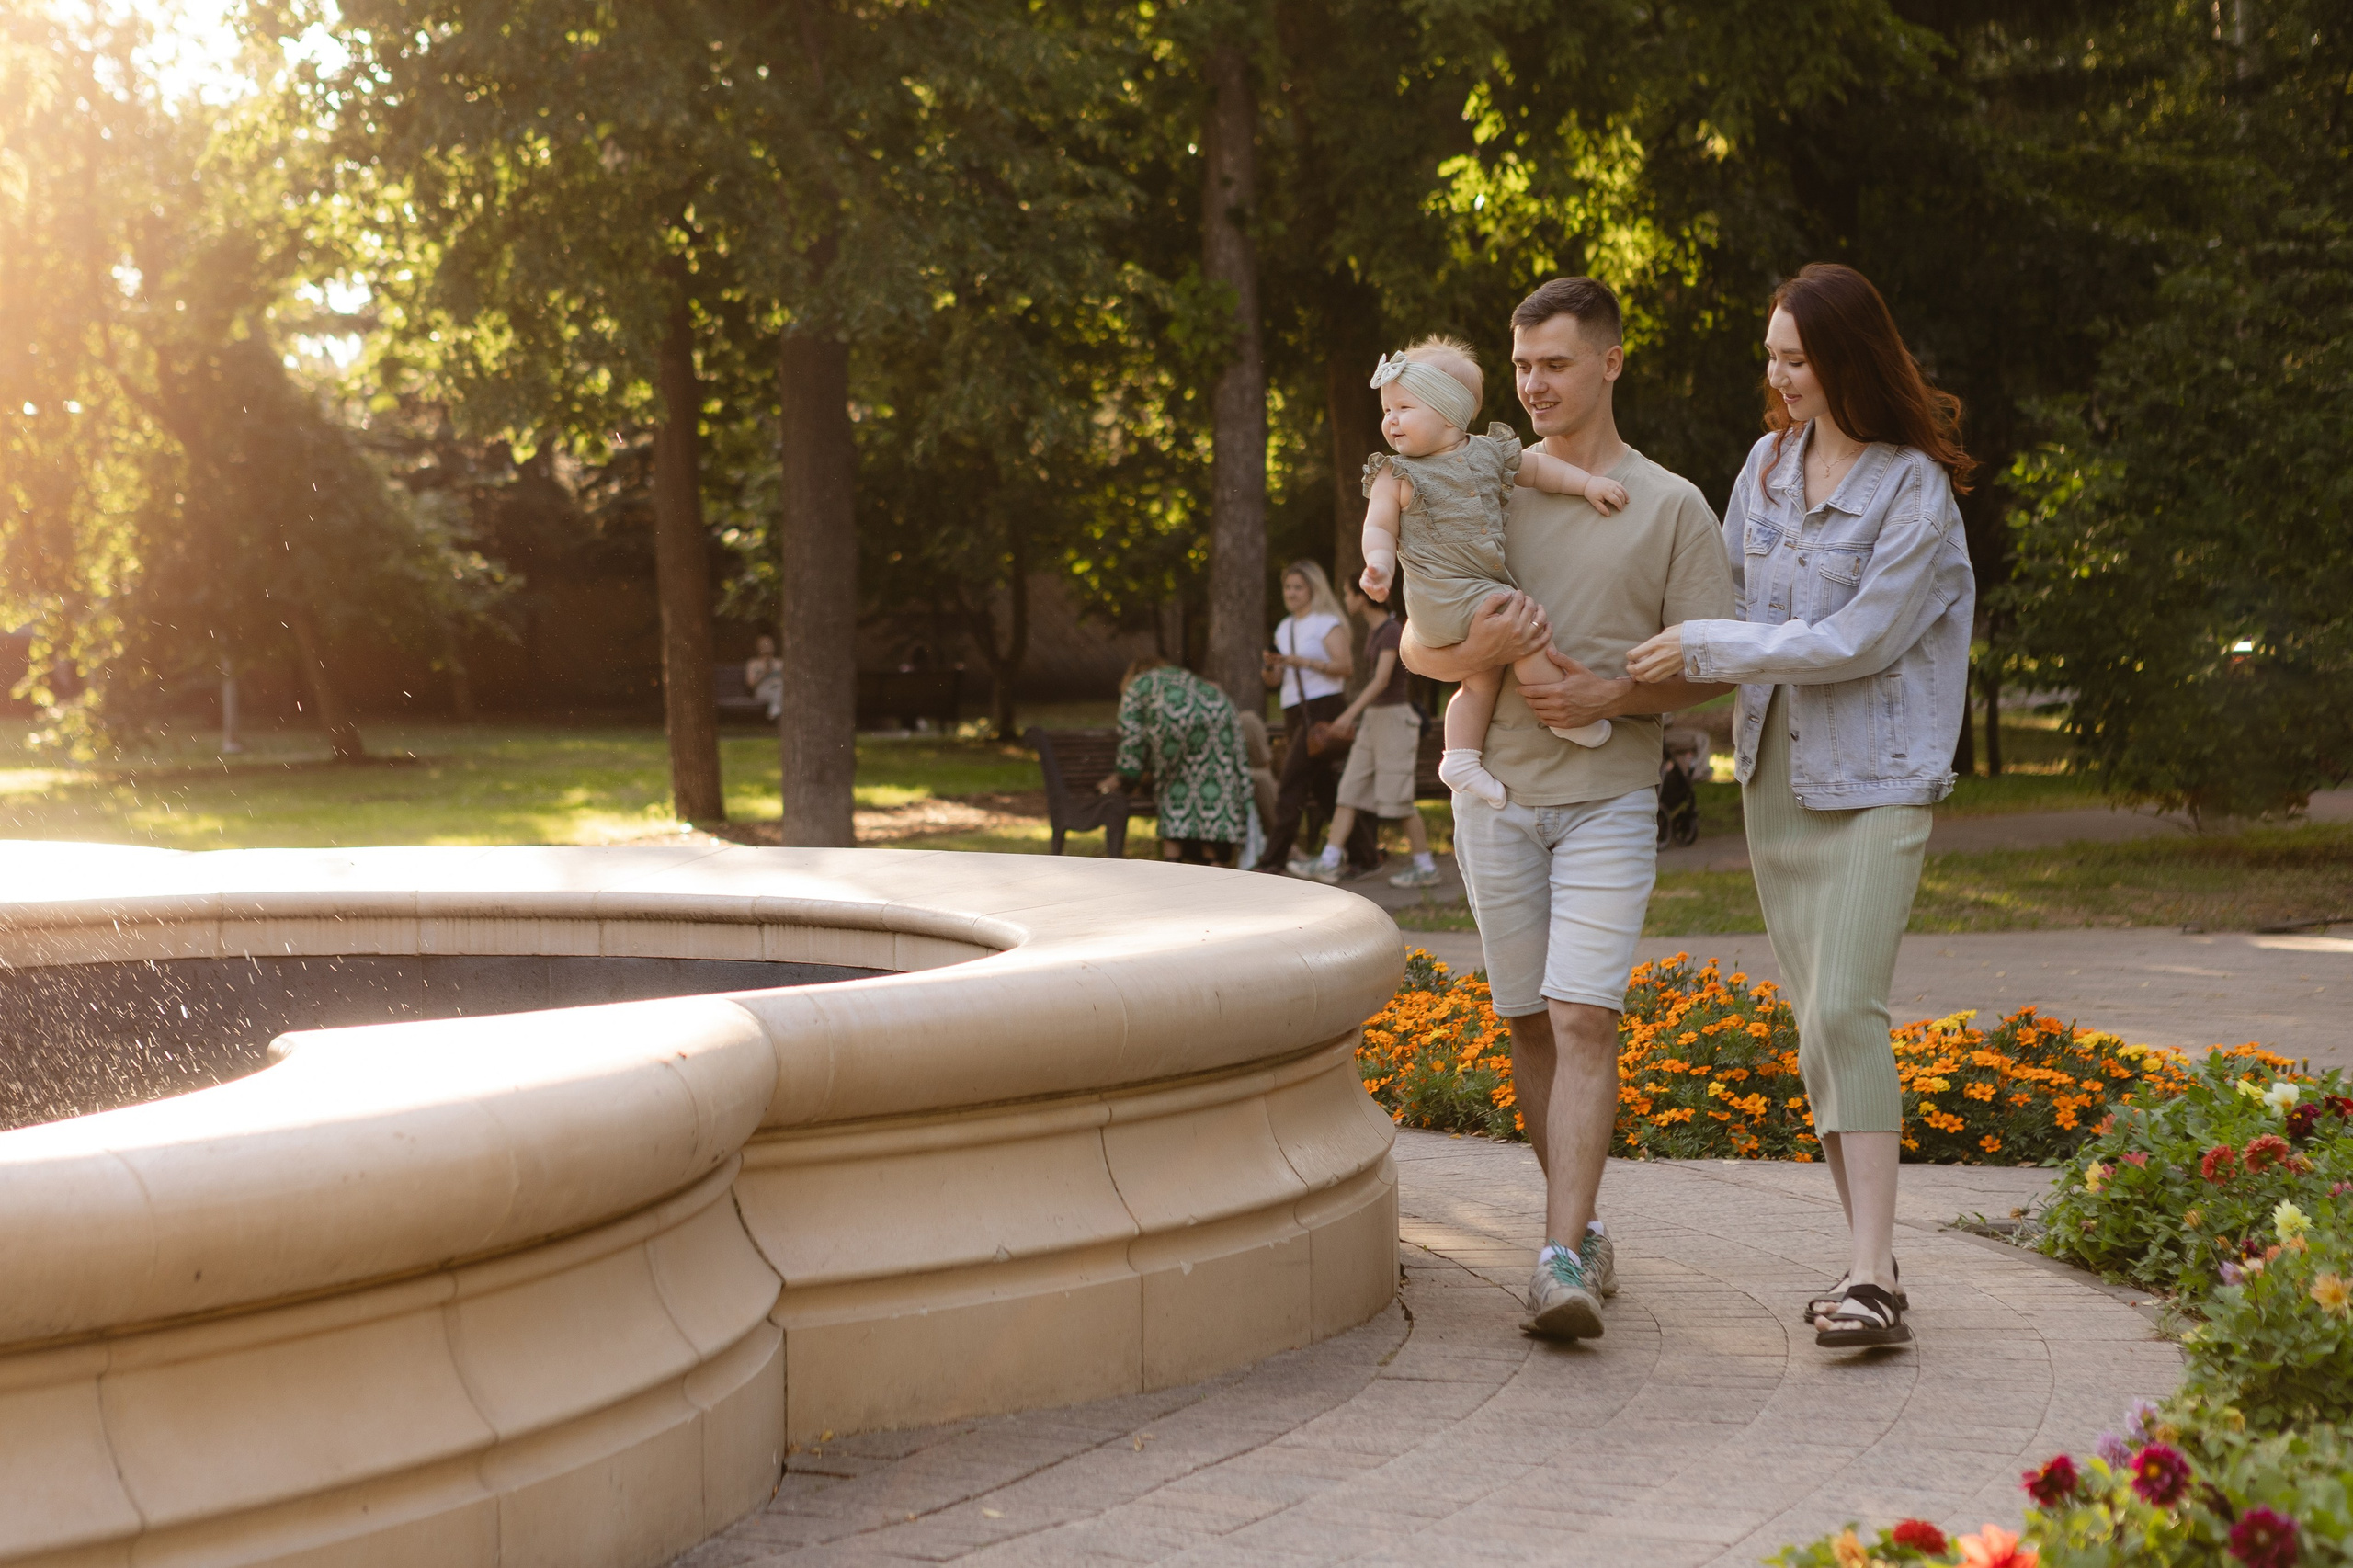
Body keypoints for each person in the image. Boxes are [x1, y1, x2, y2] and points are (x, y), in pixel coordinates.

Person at [1627, 263, 1975, 1352]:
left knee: (1844, 1010)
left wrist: (1709, 645)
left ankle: (1874, 1271)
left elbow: (1857, 639)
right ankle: (1867, 1262)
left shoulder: (1912, 487)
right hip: (1775, 777)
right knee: (1817, 1028)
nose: (1774, 377)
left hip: (1875, 780)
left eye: (1793, 357)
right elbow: (1713, 597)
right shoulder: (1765, 467)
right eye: (1771, 356)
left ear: (1844, 359)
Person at [1398, 277, 1736, 1341]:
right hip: (1495, 799)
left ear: (1610, 362)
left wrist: (1611, 694)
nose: (1534, 385)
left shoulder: (1671, 502)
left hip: (1607, 798)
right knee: (1530, 1025)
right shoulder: (1477, 480)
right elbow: (1416, 645)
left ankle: (1552, 1260)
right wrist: (1482, 652)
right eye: (1524, 365)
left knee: (1587, 1012)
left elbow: (1715, 669)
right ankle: (1579, 1229)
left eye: (1555, 364)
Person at [1358, 337, 1631, 811]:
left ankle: (1460, 758)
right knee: (1520, 624)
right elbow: (1378, 525)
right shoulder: (1397, 473)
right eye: (1387, 410)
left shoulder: (1487, 452)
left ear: (1449, 413)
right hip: (1442, 595)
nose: (1391, 420)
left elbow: (1541, 470)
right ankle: (1560, 713)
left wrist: (1587, 484)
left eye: (1403, 407)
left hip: (1474, 592)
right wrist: (1378, 565)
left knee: (1481, 678)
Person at [1299, 584, 1441, 888]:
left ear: (1362, 598)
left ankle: (1425, 867)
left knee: (1398, 798)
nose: (1346, 600)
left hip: (1393, 720)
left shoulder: (1391, 630)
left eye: (1349, 594)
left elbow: (1381, 681)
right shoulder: (1375, 632)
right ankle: (1328, 863)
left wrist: (1348, 716)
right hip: (1374, 720)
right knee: (1349, 791)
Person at [1251, 562, 1359, 874]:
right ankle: (1364, 853)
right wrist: (1271, 666)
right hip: (1295, 710)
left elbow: (1345, 667)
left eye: (1298, 587)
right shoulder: (1284, 627)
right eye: (1288, 588)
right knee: (1324, 786)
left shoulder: (1326, 623)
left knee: (1291, 781)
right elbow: (1273, 682)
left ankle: (1273, 859)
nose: (1292, 593)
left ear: (1313, 589)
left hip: (1322, 708)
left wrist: (1303, 662)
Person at [1100, 657, 1255, 866]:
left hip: (1175, 717)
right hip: (1220, 710)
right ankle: (1215, 868)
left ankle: (1172, 864)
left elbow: (1132, 736)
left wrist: (1126, 776)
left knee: (1174, 789)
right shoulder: (1183, 677)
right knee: (1213, 784)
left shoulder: (1138, 685)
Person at [744, 635, 784, 721]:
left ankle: (774, 710)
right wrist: (764, 673)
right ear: (758, 647)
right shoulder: (753, 663)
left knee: (779, 688)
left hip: (779, 687)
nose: (767, 647)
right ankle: (774, 709)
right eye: (764, 644)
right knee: (779, 690)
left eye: (769, 644)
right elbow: (750, 683)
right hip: (762, 690)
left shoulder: (780, 663)